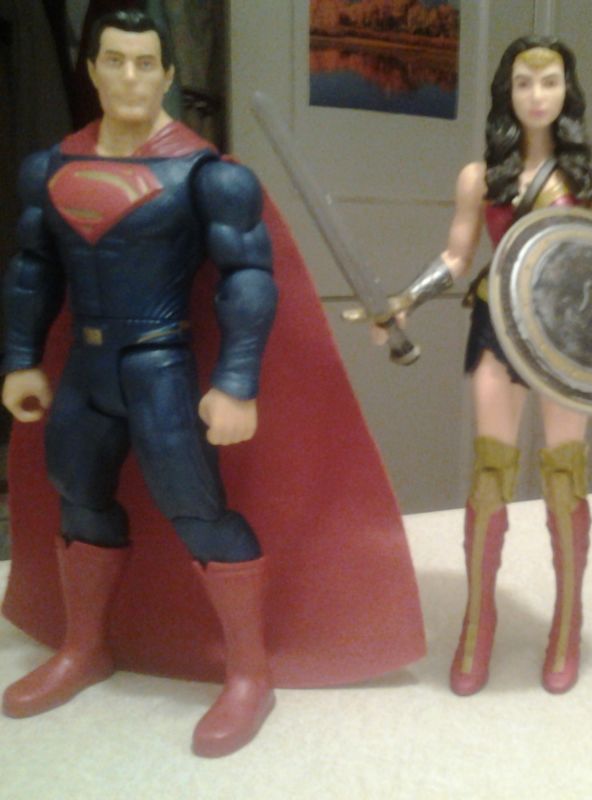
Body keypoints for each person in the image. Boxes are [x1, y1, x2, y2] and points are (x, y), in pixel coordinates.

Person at [0, 8, 427, 757]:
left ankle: (249, 671)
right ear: (92, 70)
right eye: (115, 60)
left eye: (145, 63)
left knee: (198, 509)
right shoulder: (51, 170)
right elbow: (34, 271)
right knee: (78, 496)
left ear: (168, 74)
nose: (130, 77)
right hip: (86, 371)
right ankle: (85, 646)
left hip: (160, 366)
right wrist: (19, 357)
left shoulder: (207, 175)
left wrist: (235, 382)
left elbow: (247, 279)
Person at [378, 36, 592, 695]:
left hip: (565, 332)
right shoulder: (481, 177)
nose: (537, 95)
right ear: (506, 93)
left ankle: (567, 620)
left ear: (567, 89)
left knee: (564, 476)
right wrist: (406, 299)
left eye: (549, 81)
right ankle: (477, 620)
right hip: (497, 323)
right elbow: (458, 256)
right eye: (523, 83)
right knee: (490, 475)